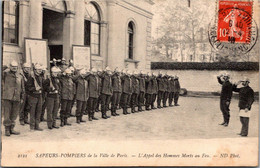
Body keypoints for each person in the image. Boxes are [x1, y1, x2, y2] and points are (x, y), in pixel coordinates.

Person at [2, 61, 24, 136]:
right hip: (7, 97)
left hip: (17, 97)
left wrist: (22, 96)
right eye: (12, 67)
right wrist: (5, 68)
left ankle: (12, 128)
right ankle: (7, 130)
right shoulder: (5, 74)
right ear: (10, 67)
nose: (14, 68)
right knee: (7, 114)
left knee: (14, 114)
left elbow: (22, 87)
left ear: (17, 67)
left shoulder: (20, 75)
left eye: (16, 67)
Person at [26, 63, 44, 131]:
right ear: (35, 70)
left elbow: (42, 87)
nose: (40, 71)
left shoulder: (40, 77)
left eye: (41, 70)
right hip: (33, 96)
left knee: (39, 111)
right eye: (38, 69)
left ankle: (37, 126)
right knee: (32, 112)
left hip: (39, 96)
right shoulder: (31, 77)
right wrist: (34, 88)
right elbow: (28, 88)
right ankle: (32, 127)